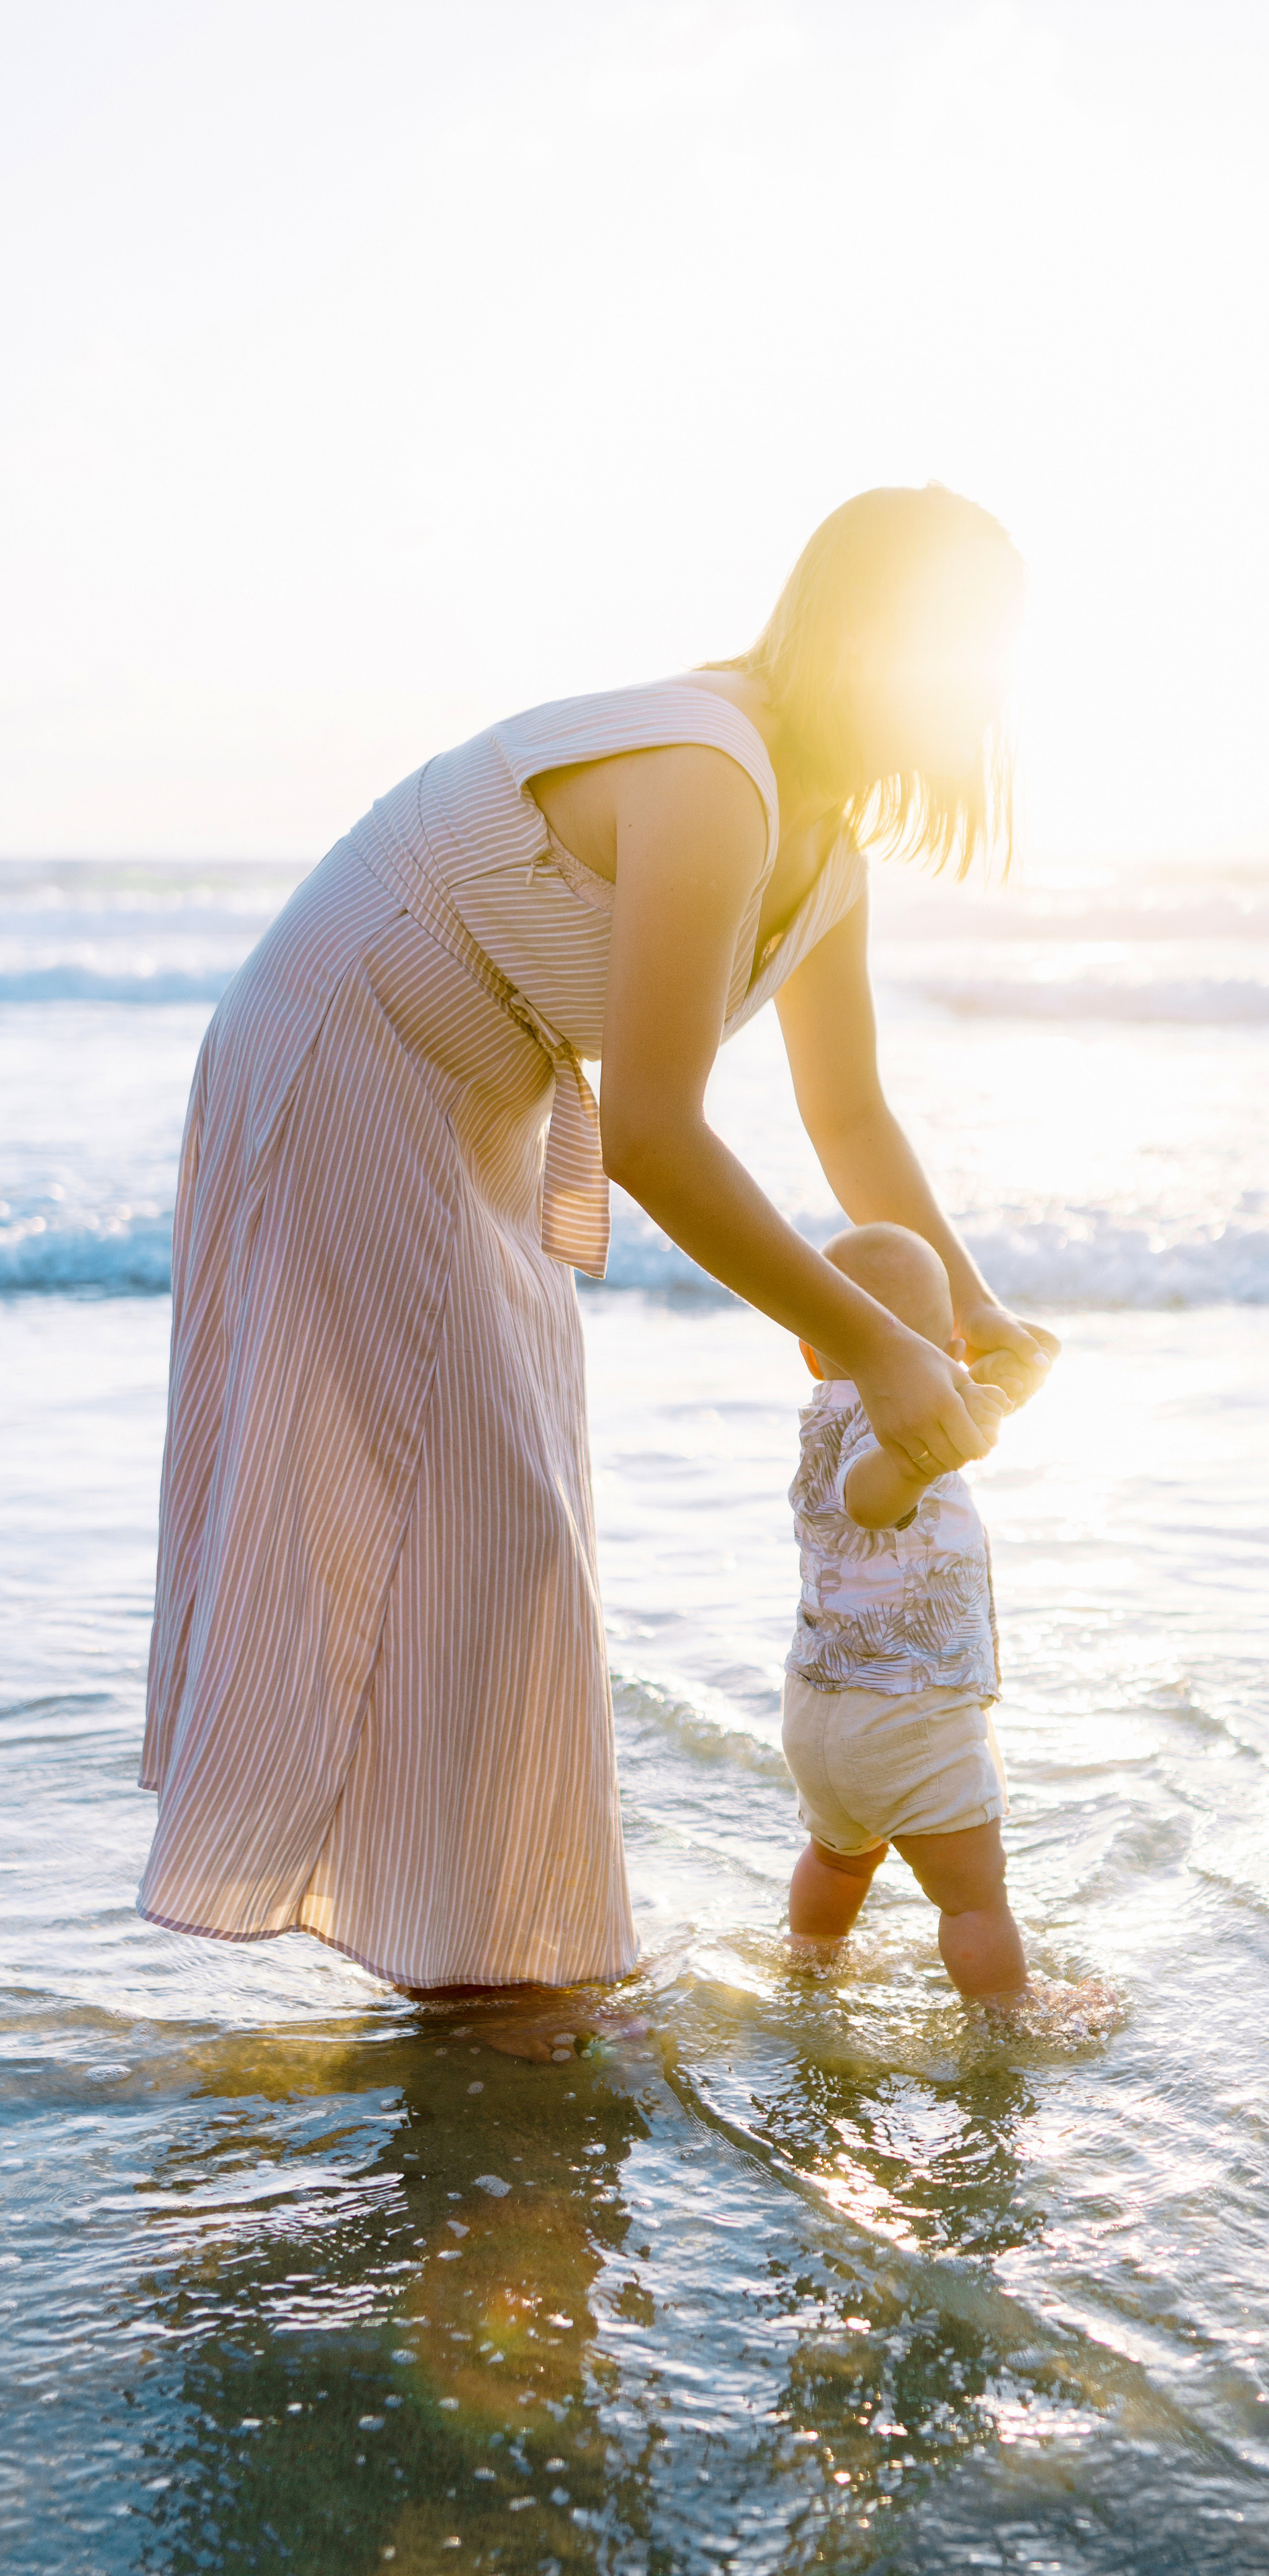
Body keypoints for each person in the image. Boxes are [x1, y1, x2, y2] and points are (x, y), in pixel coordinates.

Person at [138, 482, 1059, 2000]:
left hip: (482, 1092)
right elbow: (654, 1138)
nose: (975, 694)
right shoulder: (711, 772)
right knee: (489, 1522)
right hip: (349, 1050)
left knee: (506, 1529)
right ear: (867, 636)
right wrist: (875, 1348)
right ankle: (490, 1970)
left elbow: (848, 1114)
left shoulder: (827, 849)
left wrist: (966, 1308)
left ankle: (482, 1950)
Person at [782, 1224, 1029, 2004]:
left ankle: (811, 1958)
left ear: (811, 1353)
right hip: (909, 1711)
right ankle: (1008, 2013)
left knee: (837, 1858)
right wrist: (920, 1458)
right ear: (948, 1350)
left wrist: (993, 1392)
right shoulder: (901, 1434)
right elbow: (871, 1497)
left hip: (818, 1712)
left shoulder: (826, 1415)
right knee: (973, 1898)